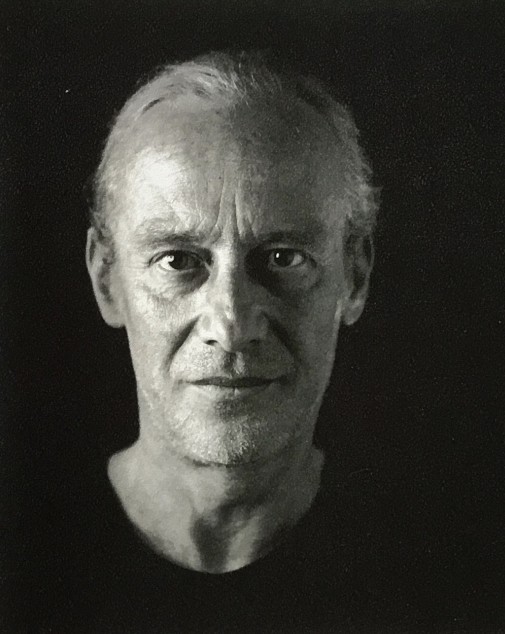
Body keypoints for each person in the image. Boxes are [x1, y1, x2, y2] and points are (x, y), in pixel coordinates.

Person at [79, 50, 423, 630]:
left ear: (355, 278)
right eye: (178, 260)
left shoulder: (444, 563)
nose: (232, 326)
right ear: (107, 280)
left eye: (283, 258)